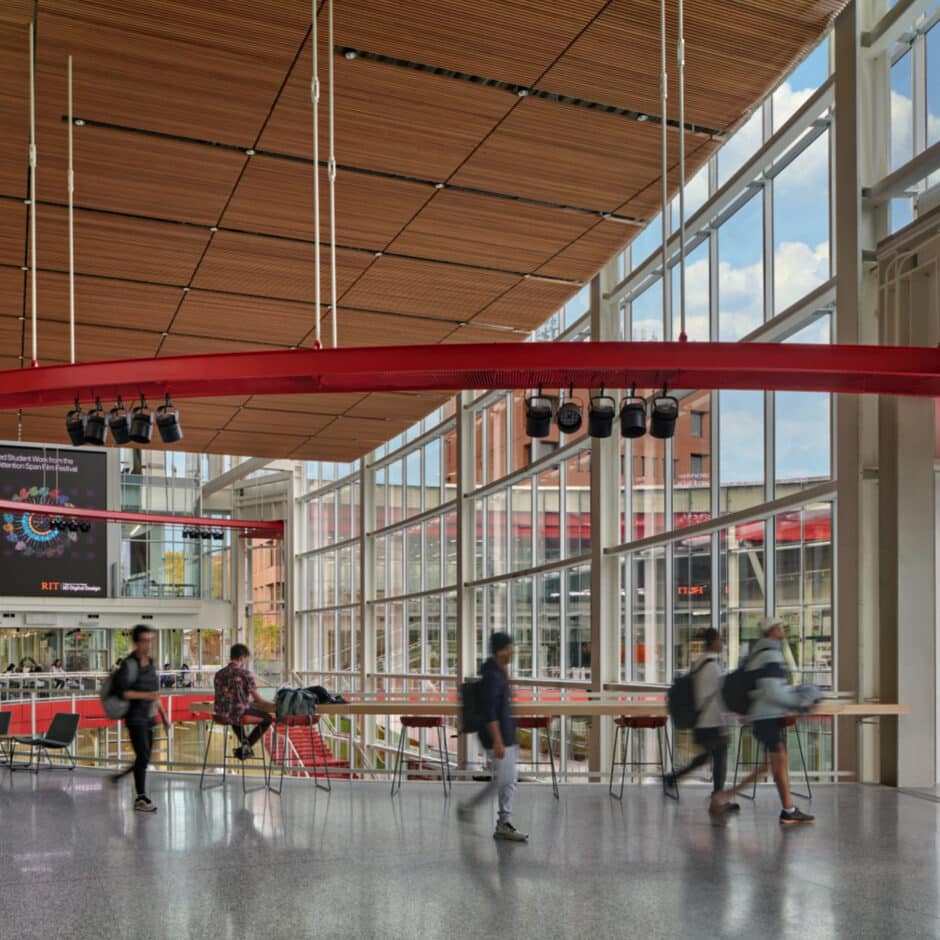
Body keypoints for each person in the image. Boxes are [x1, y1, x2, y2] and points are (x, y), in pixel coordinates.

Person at [710, 619, 820, 824]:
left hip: (764, 715)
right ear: (772, 631)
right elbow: (772, 690)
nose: (783, 630)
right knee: (776, 762)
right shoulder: (770, 654)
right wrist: (799, 703)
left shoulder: (757, 653)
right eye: (780, 627)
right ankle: (725, 797)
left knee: (773, 764)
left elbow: (765, 688)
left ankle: (787, 809)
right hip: (766, 717)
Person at [457, 632, 527, 842]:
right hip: (498, 738)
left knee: (506, 780)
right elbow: (490, 712)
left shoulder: (497, 673)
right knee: (506, 780)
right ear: (500, 650)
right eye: (509, 647)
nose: (512, 651)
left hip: (505, 736)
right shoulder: (493, 677)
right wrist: (497, 740)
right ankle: (500, 822)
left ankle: (491, 817)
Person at [665, 628, 739, 812]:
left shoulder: (698, 663)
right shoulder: (713, 667)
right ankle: (718, 799)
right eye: (720, 640)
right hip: (711, 722)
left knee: (706, 757)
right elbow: (720, 698)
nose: (722, 643)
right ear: (713, 642)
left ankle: (673, 777)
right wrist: (724, 724)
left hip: (699, 721)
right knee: (719, 758)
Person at [113, 624, 167, 813]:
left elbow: (155, 693)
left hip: (149, 716)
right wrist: (144, 696)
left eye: (151, 640)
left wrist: (165, 717)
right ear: (136, 642)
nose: (149, 644)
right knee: (143, 756)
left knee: (144, 757)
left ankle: (125, 777)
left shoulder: (150, 663)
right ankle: (140, 797)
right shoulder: (129, 664)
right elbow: (123, 693)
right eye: (145, 640)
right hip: (135, 718)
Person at [213, 644, 274, 760]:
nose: (245, 661)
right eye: (246, 658)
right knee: (268, 719)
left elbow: (226, 695)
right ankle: (246, 747)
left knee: (234, 716)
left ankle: (245, 747)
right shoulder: (245, 674)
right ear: (242, 657)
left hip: (222, 714)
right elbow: (258, 700)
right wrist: (274, 705)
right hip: (238, 713)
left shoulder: (219, 674)